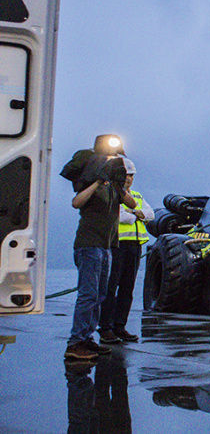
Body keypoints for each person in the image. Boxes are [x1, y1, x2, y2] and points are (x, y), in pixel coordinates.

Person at [63, 135, 137, 361]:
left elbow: (132, 204)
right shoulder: (92, 185)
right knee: (88, 295)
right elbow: (76, 202)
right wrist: (97, 181)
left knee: (100, 295)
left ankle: (87, 339)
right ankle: (75, 343)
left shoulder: (114, 189)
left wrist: (119, 183)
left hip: (107, 247)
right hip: (89, 245)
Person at [98, 157, 154, 344]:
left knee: (127, 289)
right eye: (126, 175)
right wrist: (135, 214)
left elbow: (150, 214)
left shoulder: (136, 196)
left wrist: (135, 213)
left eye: (131, 175)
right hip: (117, 245)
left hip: (135, 247)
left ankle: (119, 326)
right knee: (111, 287)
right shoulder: (111, 193)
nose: (129, 178)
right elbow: (120, 216)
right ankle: (105, 327)